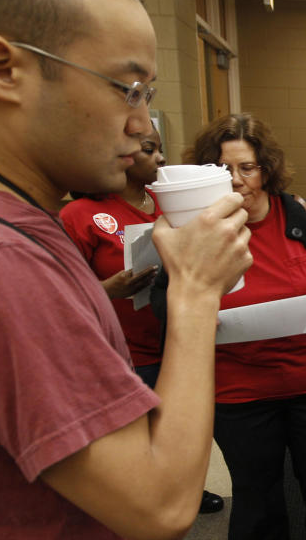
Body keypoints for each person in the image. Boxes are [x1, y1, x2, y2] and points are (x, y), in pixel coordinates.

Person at [0, 0, 252, 540]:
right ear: (3, 70)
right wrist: (197, 289)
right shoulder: (2, 261)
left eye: (147, 95)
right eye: (127, 90)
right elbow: (161, 507)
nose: (142, 125)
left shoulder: (28, 220)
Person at [182, 113, 306, 540]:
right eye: (224, 169)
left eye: (247, 167)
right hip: (240, 397)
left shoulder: (300, 214)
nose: (236, 179)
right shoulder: (199, 229)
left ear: (266, 169)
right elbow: (173, 308)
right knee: (258, 504)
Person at [60, 124, 226, 515]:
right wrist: (108, 289)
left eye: (160, 150)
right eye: (150, 150)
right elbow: (61, 296)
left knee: (184, 424)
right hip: (125, 349)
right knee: (140, 436)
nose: (161, 159)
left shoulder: (168, 202)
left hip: (174, 335)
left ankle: (189, 487)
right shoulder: (79, 215)